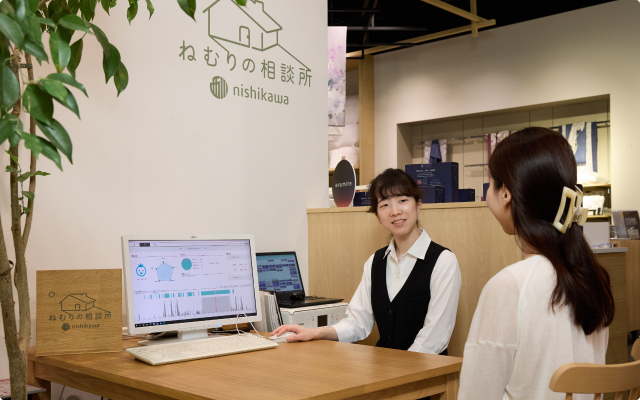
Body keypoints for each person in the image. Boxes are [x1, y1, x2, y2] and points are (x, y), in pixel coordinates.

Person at [458, 127, 615, 400]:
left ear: (506, 194)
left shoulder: (508, 286)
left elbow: (476, 393)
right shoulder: (592, 278)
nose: (486, 196)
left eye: (491, 184)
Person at [272, 168, 461, 355]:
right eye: (384, 205)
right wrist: (315, 332)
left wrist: (403, 369)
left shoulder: (443, 261)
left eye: (402, 200)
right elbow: (357, 323)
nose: (395, 211)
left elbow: (435, 337)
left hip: (424, 369)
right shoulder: (375, 262)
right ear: (378, 217)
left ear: (418, 206)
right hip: (383, 367)